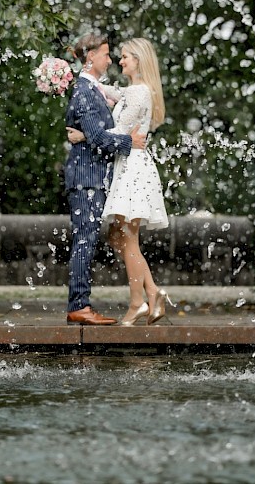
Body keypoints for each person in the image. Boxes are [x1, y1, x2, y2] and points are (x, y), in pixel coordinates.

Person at [68, 37, 170, 326]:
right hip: (129, 166)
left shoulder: (138, 93)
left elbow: (113, 133)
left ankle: (138, 303)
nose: (119, 61)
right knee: (119, 237)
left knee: (129, 239)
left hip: (132, 168)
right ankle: (153, 292)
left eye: (125, 57)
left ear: (138, 60)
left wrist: (83, 135)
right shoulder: (134, 90)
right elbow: (106, 91)